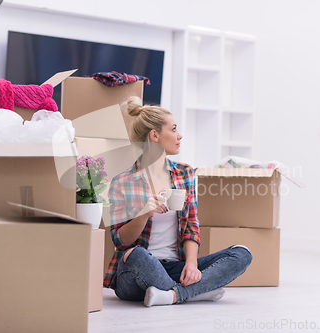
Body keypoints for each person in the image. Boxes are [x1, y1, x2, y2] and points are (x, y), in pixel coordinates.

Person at [103, 95, 253, 307]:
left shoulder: (185, 173)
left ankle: (171, 295)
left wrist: (191, 264)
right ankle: (195, 292)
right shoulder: (122, 182)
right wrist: (143, 214)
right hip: (136, 274)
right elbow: (120, 241)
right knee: (135, 254)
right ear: (155, 135)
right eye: (173, 129)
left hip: (176, 268)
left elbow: (192, 226)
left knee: (241, 254)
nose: (179, 135)